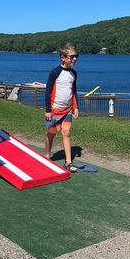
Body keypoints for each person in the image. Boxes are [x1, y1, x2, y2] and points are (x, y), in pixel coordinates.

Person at [44, 43, 79, 172]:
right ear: (62, 58)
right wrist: (48, 110)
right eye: (71, 57)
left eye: (76, 56)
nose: (74, 59)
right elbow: (47, 92)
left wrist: (76, 107)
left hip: (68, 109)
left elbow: (73, 91)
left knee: (66, 133)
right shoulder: (54, 72)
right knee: (51, 133)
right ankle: (47, 155)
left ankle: (68, 162)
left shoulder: (73, 73)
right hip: (54, 110)